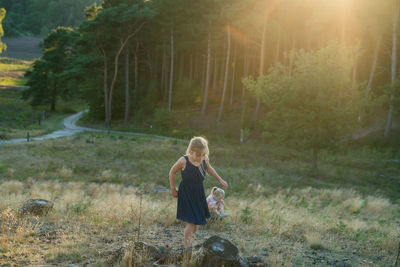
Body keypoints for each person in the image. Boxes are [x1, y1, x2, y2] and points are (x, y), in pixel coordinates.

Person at [169, 136, 228, 253]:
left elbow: (210, 169)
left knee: (195, 224)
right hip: (186, 193)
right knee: (191, 222)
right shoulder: (183, 160)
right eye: (198, 155)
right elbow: (172, 172)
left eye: (203, 155)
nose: (200, 158)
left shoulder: (204, 160)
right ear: (190, 151)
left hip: (198, 193)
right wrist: (173, 189)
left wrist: (220, 180)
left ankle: (190, 243)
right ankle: (187, 249)